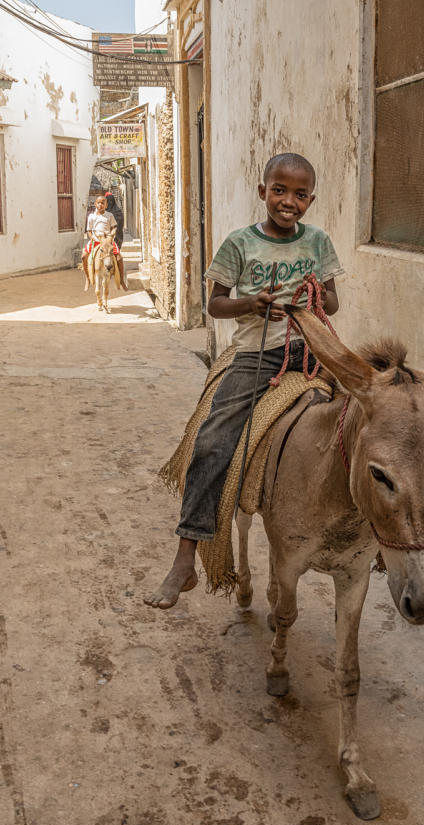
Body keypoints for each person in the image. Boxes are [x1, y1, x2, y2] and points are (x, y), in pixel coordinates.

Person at [144, 152, 342, 609]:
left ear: (310, 200)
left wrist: (317, 290)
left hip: (313, 348)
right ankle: (185, 556)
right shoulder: (238, 244)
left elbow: (332, 305)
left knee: (383, 409)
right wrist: (251, 303)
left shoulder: (318, 242)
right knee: (212, 442)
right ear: (263, 192)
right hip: (261, 356)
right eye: (279, 190)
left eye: (298, 194)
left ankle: (406, 541)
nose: (287, 201)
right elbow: (215, 305)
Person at [82, 193, 129, 290]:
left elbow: (114, 227)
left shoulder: (110, 215)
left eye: (103, 203)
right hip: (96, 240)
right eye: (98, 203)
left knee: (119, 258)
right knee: (84, 256)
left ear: (106, 205)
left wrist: (111, 235)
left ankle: (121, 280)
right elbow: (89, 231)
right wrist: (92, 238)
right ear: (95, 204)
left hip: (108, 241)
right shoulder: (91, 216)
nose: (100, 205)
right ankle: (87, 278)